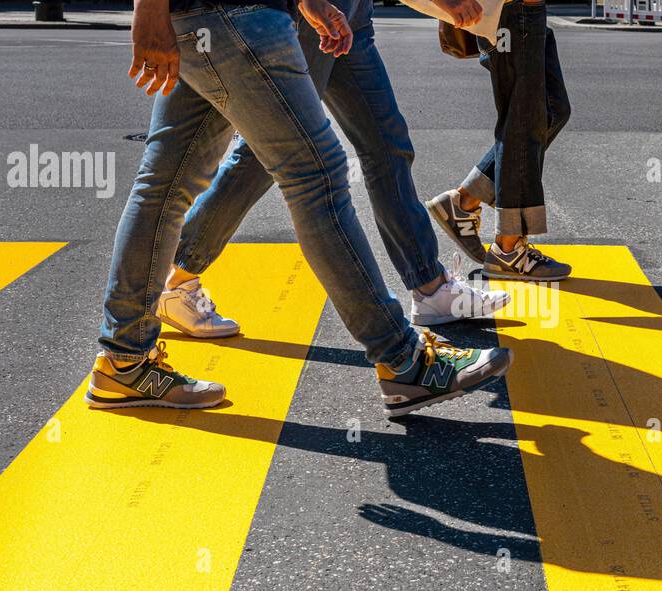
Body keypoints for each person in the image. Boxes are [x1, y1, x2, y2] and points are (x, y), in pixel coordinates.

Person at [89, 0, 511, 418]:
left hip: (214, 18)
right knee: (317, 177)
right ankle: (404, 360)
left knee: (165, 184)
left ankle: (124, 362)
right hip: (236, 17)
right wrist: (147, 11)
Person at [157, 0, 511, 339]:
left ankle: (430, 287)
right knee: (262, 155)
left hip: (354, 13)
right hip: (314, 15)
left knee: (387, 144)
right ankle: (176, 277)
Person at [425, 0, 572, 282]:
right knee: (523, 121)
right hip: (510, 13)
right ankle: (509, 249)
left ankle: (463, 202)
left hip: (529, 13)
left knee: (552, 112)